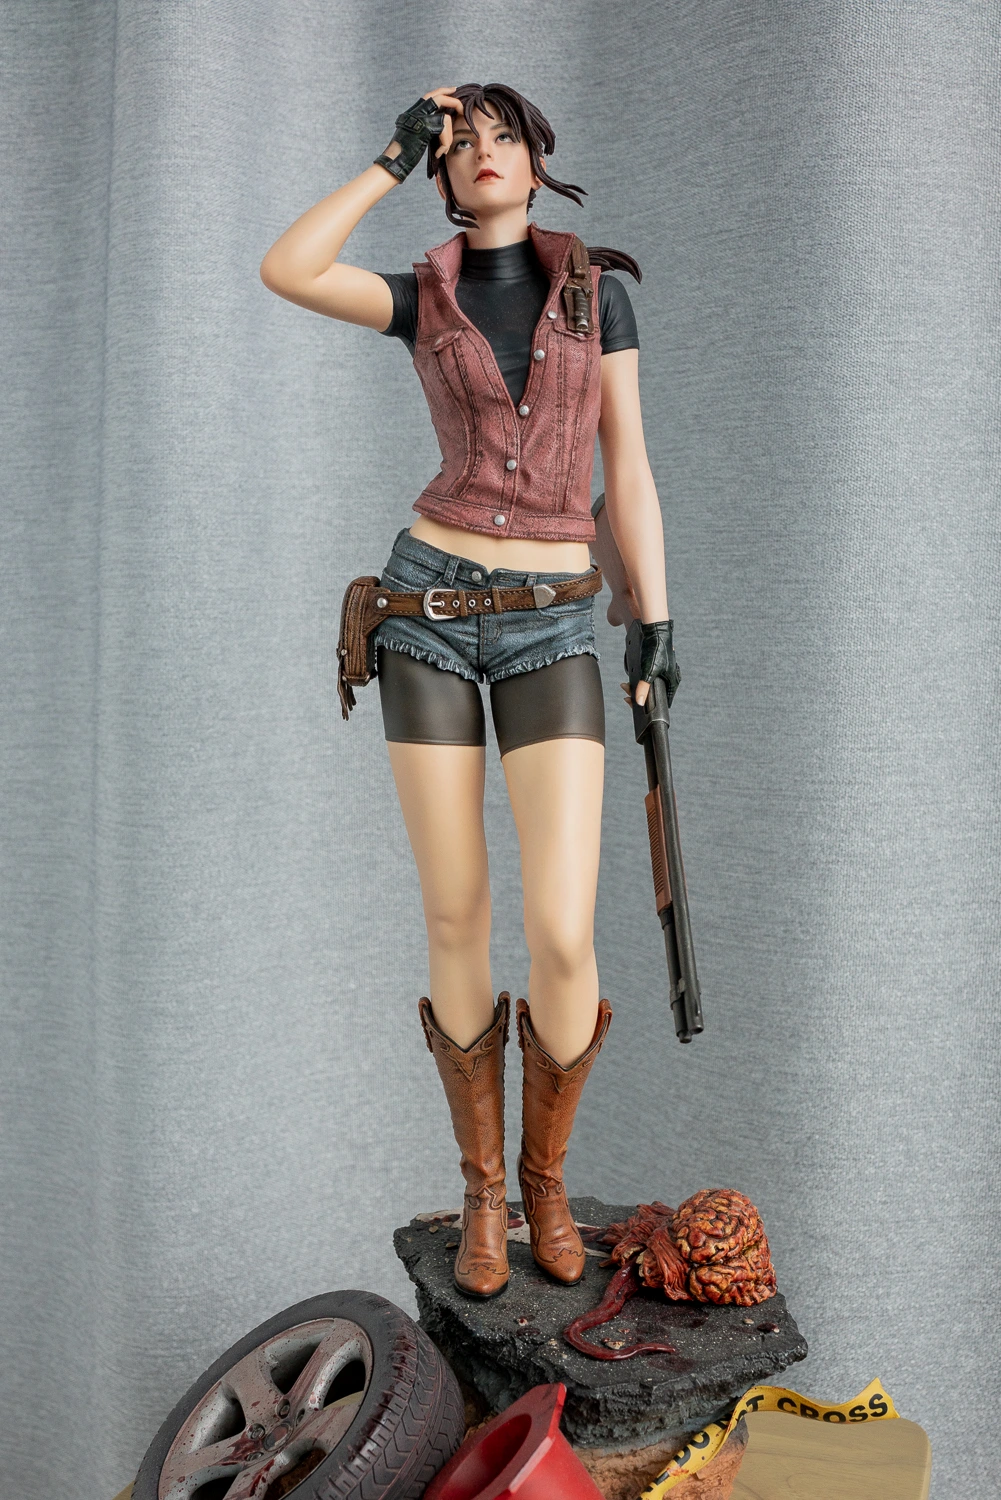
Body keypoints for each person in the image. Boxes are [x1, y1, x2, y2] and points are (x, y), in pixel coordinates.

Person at [260, 84, 679, 1299]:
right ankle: (482, 1190)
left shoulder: (596, 295)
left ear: (537, 162)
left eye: (502, 137)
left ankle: (545, 1178)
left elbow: (627, 468)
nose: (482, 155)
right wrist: (387, 157)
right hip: (425, 614)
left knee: (562, 929)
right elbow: (289, 267)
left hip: (552, 620)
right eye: (458, 145)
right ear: (441, 176)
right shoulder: (421, 297)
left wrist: (653, 619)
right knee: (454, 913)